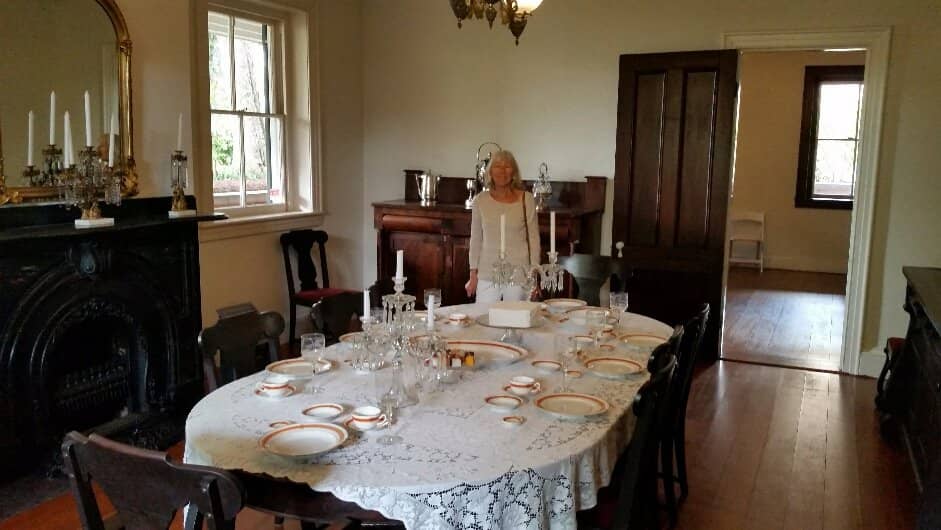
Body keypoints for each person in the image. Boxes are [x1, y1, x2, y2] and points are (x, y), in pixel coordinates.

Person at [465, 150, 540, 303]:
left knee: (516, 321)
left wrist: (534, 274)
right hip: (488, 273)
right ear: (490, 172)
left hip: (519, 274)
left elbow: (534, 239)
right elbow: (476, 239)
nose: (502, 171)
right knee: (485, 320)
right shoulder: (480, 200)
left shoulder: (527, 199)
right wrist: (473, 274)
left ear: (514, 172)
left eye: (507, 167)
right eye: (497, 166)